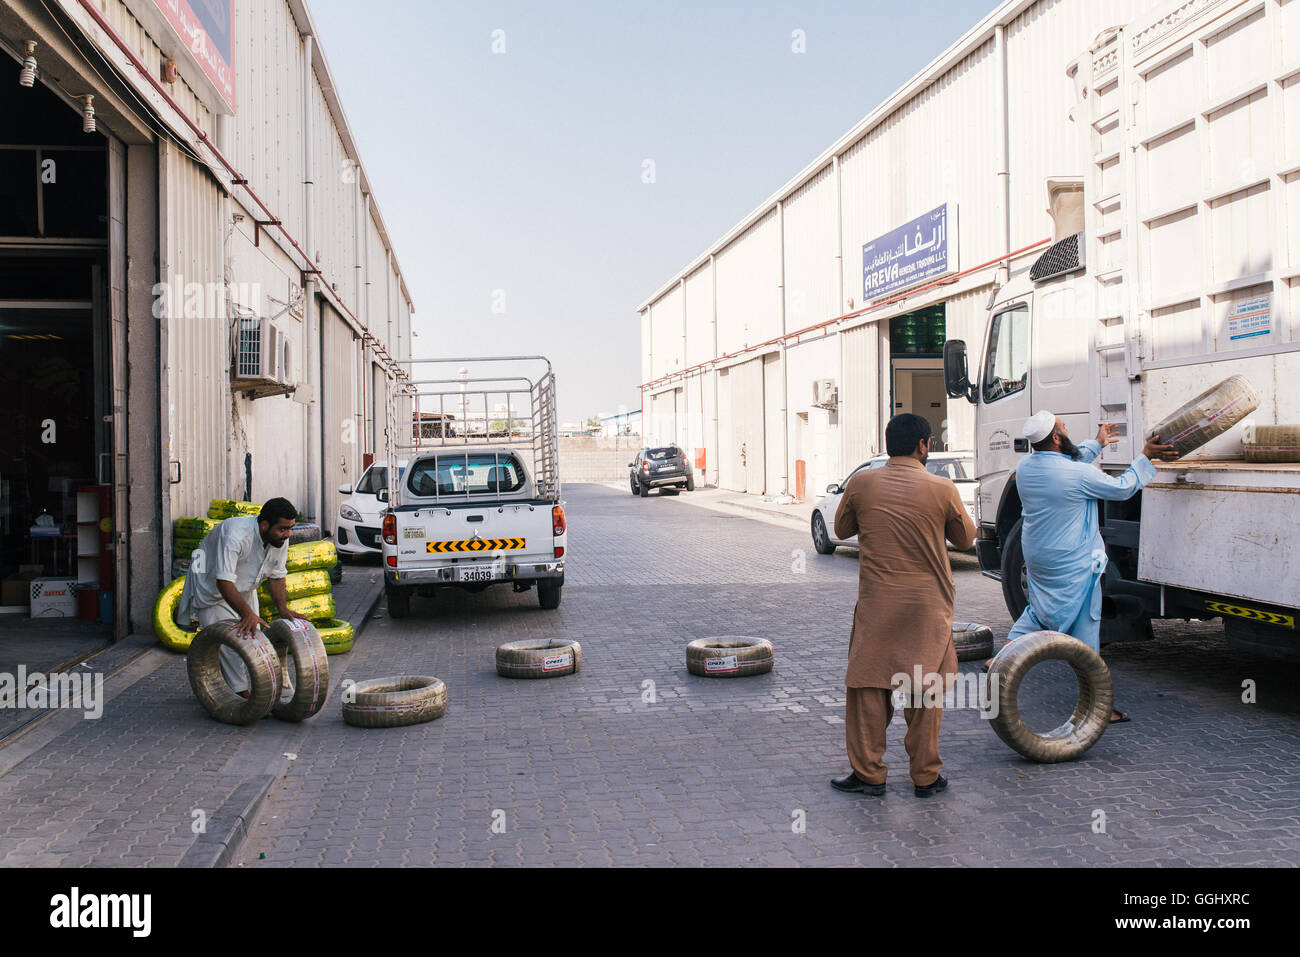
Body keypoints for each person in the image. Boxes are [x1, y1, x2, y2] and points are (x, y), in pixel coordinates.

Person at [993, 411, 1178, 723]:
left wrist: (1097, 443)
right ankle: (1097, 706)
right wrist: (1145, 457)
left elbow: (1068, 465)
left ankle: (1002, 657)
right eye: (1064, 428)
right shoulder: (1077, 476)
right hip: (1074, 563)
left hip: (1038, 557)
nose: (1067, 431)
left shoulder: (1025, 468)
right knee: (1085, 629)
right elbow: (1122, 488)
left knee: (1039, 610)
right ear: (1055, 437)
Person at [830, 413, 976, 798]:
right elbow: (966, 540)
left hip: (878, 607)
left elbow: (841, 530)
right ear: (923, 446)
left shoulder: (862, 483)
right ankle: (926, 776)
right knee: (925, 689)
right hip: (928, 609)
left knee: (868, 687)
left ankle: (869, 774)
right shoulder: (942, 489)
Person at [176, 497, 308, 695]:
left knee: (253, 637)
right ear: (264, 525)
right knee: (232, 641)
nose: (287, 534)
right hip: (211, 587)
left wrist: (283, 609)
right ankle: (241, 695)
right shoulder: (235, 534)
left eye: (290, 528)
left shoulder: (279, 539)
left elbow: (277, 576)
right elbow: (224, 581)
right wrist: (247, 614)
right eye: (283, 529)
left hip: (244, 587)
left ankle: (247, 686)